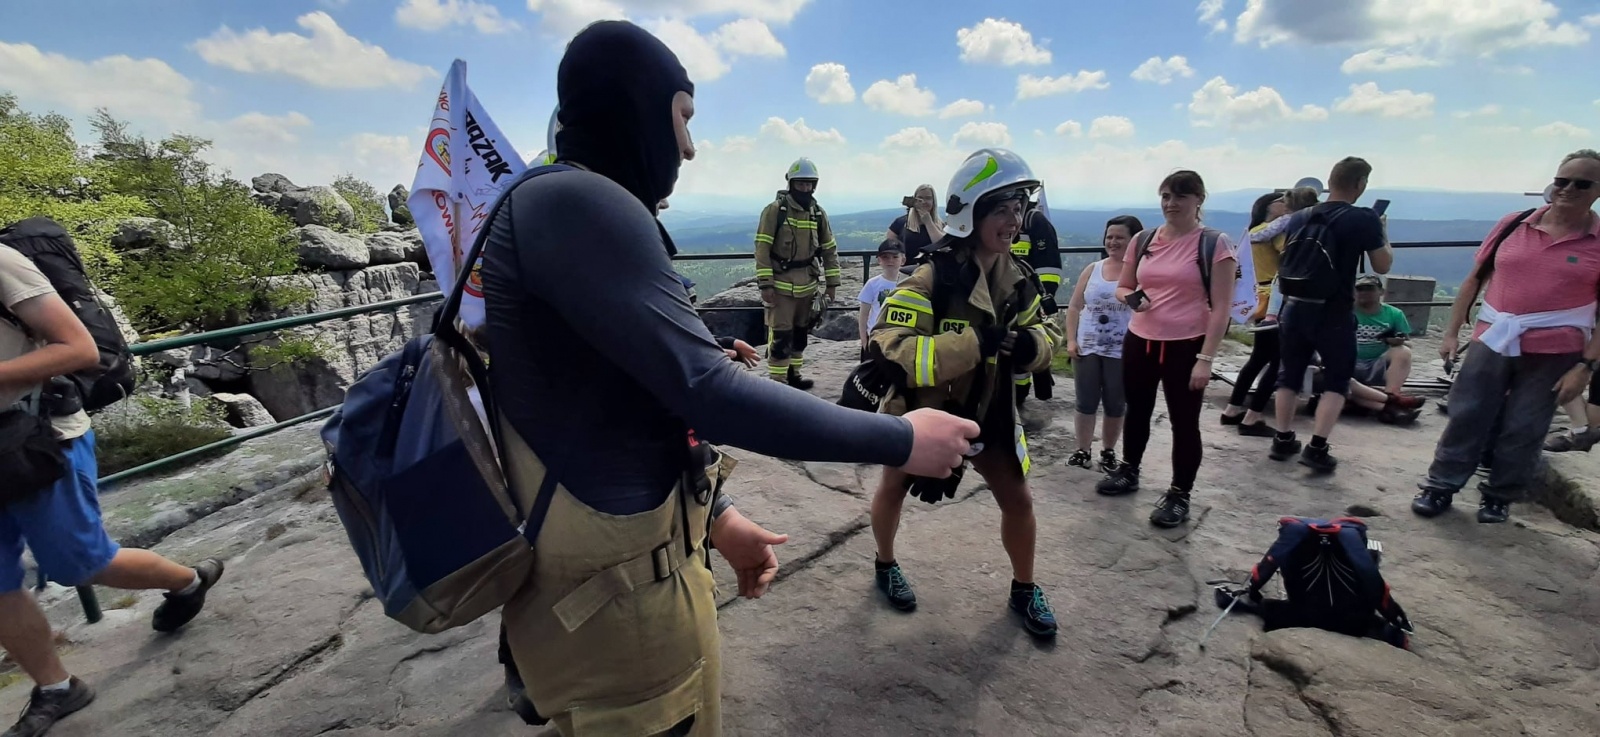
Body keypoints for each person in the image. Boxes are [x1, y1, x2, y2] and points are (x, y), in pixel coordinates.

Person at [477, 21, 980, 737]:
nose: (688, 144)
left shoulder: (561, 204)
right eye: (681, 115)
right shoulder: (576, 203)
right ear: (634, 106)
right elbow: (706, 391)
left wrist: (715, 517)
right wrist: (898, 437)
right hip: (619, 613)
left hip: (634, 577)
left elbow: (625, 403)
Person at [1, 237, 225, 737]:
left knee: (79, 563)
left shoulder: (2, 264)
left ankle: (187, 580)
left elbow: (78, 348)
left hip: (39, 439)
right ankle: (57, 688)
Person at [865, 147, 1062, 638]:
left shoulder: (1019, 280)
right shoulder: (931, 277)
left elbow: (1050, 334)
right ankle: (885, 564)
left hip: (991, 410)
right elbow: (891, 346)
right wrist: (977, 343)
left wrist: (1032, 346)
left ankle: (1024, 588)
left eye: (1018, 209)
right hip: (927, 412)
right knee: (893, 486)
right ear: (970, 213)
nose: (1013, 220)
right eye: (1001, 209)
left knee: (1018, 500)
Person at [1412, 149, 1600, 524]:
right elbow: (1475, 279)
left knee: (1526, 425)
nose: (1567, 189)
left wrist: (1585, 366)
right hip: (1492, 338)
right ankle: (1440, 485)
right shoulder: (1514, 224)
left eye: (1581, 183)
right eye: (1562, 180)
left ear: (1597, 190)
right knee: (1467, 414)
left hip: (1556, 351)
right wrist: (1451, 333)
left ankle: (1500, 495)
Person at [1095, 170, 1238, 529]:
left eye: (1180, 197)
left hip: (1187, 345)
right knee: (1137, 411)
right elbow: (1124, 285)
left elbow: (1222, 307)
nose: (1171, 204)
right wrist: (1132, 299)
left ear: (1198, 200)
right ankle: (1130, 470)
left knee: (1184, 423)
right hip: (1140, 339)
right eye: (1165, 197)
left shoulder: (1214, 244)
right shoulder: (1143, 239)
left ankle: (1179, 494)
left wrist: (1205, 359)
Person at [1269, 157, 1394, 472]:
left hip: (1293, 304)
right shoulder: (1363, 218)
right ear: (1360, 184)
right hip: (1333, 310)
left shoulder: (1300, 216)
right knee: (1337, 379)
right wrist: (1382, 232)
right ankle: (1317, 448)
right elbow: (1382, 265)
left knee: (1290, 373)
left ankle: (1282, 439)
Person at [1220, 187, 1316, 436]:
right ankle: (1252, 417)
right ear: (1266, 208)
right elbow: (1293, 257)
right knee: (1277, 361)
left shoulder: (1254, 232)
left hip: (1259, 298)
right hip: (1277, 298)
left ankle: (1232, 409)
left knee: (1258, 359)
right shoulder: (1277, 234)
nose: (1283, 204)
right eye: (1278, 201)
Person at [754, 157, 840, 390]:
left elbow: (829, 250)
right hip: (781, 287)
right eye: (801, 184)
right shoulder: (774, 211)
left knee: (801, 335)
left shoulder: (818, 214)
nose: (805, 188)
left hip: (808, 286)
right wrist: (766, 285)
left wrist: (832, 285)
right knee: (781, 336)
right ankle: (778, 384)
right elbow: (762, 248)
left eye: (809, 184)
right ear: (791, 183)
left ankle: (794, 376)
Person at [1063, 215, 1140, 472]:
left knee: (1115, 404)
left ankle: (1108, 451)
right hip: (1088, 345)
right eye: (1110, 237)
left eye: (1120, 237)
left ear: (1133, 241)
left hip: (1122, 349)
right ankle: (1082, 450)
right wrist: (1071, 340)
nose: (1113, 242)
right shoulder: (1092, 269)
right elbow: (1074, 306)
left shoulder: (1140, 273)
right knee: (1085, 401)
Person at [1011, 194, 1065, 407]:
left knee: (1026, 347)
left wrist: (1043, 297)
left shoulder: (1035, 221)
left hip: (1029, 301)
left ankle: (1021, 395)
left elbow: (1050, 268)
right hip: (1002, 299)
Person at [1351, 274, 1425, 417]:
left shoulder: (1394, 314)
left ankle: (1391, 393)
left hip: (1378, 363)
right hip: (1349, 362)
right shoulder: (1345, 311)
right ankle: (1392, 406)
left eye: (1369, 289)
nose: (1363, 292)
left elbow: (1408, 343)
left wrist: (1398, 342)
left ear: (1381, 292)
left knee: (1403, 352)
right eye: (1359, 289)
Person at [857, 239, 904, 360]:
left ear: (903, 260)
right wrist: (863, 340)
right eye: (885, 257)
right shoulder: (872, 284)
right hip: (875, 338)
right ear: (879, 260)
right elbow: (863, 315)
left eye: (895, 257)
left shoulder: (908, 282)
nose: (890, 261)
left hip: (899, 338)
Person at [885, 184, 943, 265]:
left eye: (928, 198)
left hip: (932, 271)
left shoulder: (941, 225)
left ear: (933, 201)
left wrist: (928, 222)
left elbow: (941, 245)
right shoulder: (901, 222)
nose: (923, 201)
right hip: (905, 270)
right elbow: (890, 246)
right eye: (920, 198)